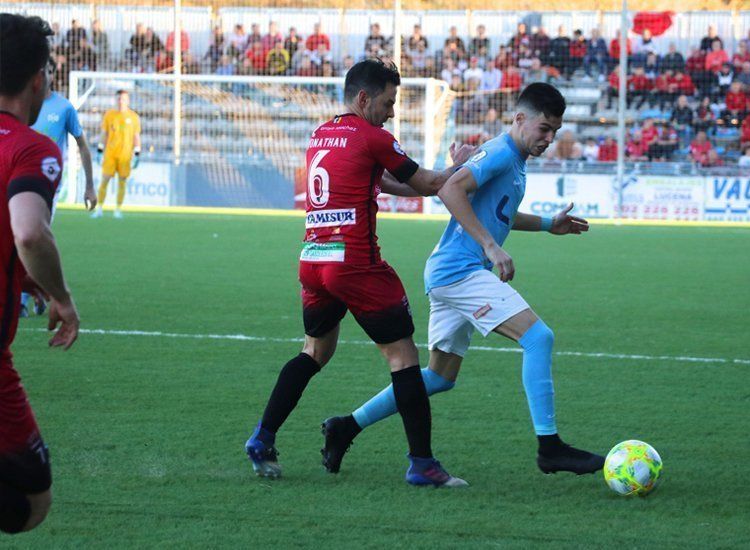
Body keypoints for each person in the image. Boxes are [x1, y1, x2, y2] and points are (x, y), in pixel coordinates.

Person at [319, 83, 605, 480]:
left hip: (450, 273)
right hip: (459, 273)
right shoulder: (502, 152)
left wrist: (546, 224)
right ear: (520, 119)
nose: (549, 139)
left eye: (554, 131)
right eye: (543, 128)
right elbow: (451, 189)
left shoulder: (513, 160)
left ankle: (345, 425)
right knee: (539, 337)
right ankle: (550, 447)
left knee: (438, 377)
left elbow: (497, 214)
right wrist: (490, 246)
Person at [243, 59, 476, 487]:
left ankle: (263, 437)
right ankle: (422, 464)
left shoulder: (322, 134)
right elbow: (425, 183)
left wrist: (436, 181)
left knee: (314, 351)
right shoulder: (373, 136)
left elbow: (383, 182)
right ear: (365, 97)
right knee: (404, 359)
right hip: (356, 262)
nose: (391, 112)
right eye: (388, 103)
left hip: (314, 259)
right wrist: (457, 166)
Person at [0, 13, 81, 535]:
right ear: (38, 80)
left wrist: (22, 281)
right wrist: (61, 296)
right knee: (31, 500)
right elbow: (29, 232)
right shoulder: (30, 147)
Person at [25, 57, 97, 317]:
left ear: (53, 75)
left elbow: (83, 145)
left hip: (48, 184)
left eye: (49, 71)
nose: (44, 76)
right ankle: (33, 291)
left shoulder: (64, 108)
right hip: (17, 179)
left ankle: (27, 295)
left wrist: (90, 186)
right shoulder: (22, 104)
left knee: (33, 235)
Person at [93, 90, 141, 219]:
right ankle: (99, 208)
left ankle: (118, 209)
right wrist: (100, 149)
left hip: (125, 156)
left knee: (122, 182)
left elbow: (136, 136)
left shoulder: (134, 117)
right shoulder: (109, 115)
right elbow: (104, 134)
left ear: (128, 101)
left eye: (123, 99)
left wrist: (137, 153)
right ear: (116, 100)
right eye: (119, 99)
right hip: (110, 154)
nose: (121, 101)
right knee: (105, 180)